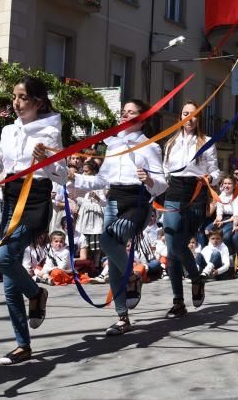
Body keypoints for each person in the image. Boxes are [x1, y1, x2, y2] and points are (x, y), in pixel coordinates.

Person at [69, 99, 166, 335]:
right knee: (113, 258)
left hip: (137, 202)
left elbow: (162, 185)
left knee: (107, 240)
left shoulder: (150, 147)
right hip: (114, 200)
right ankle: (123, 317)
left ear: (142, 118)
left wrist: (149, 180)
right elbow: (102, 180)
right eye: (123, 112)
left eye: (131, 113)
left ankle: (133, 277)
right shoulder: (113, 145)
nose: (124, 116)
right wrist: (75, 180)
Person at [0, 77, 62, 364]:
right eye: (14, 97)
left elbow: (61, 174)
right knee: (7, 277)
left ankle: (36, 293)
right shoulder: (7, 131)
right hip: (10, 198)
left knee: (2, 256)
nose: (16, 103)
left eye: (23, 97)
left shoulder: (51, 131)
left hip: (36, 199)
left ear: (38, 102)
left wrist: (48, 160)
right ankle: (22, 345)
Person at [161, 101, 219, 318]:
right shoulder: (171, 143)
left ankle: (188, 288)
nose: (189, 118)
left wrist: (210, 178)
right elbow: (165, 171)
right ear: (180, 116)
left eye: (194, 115)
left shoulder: (206, 142)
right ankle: (182, 295)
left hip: (196, 194)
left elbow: (216, 171)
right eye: (185, 114)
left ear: (199, 118)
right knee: (172, 247)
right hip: (173, 193)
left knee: (177, 247)